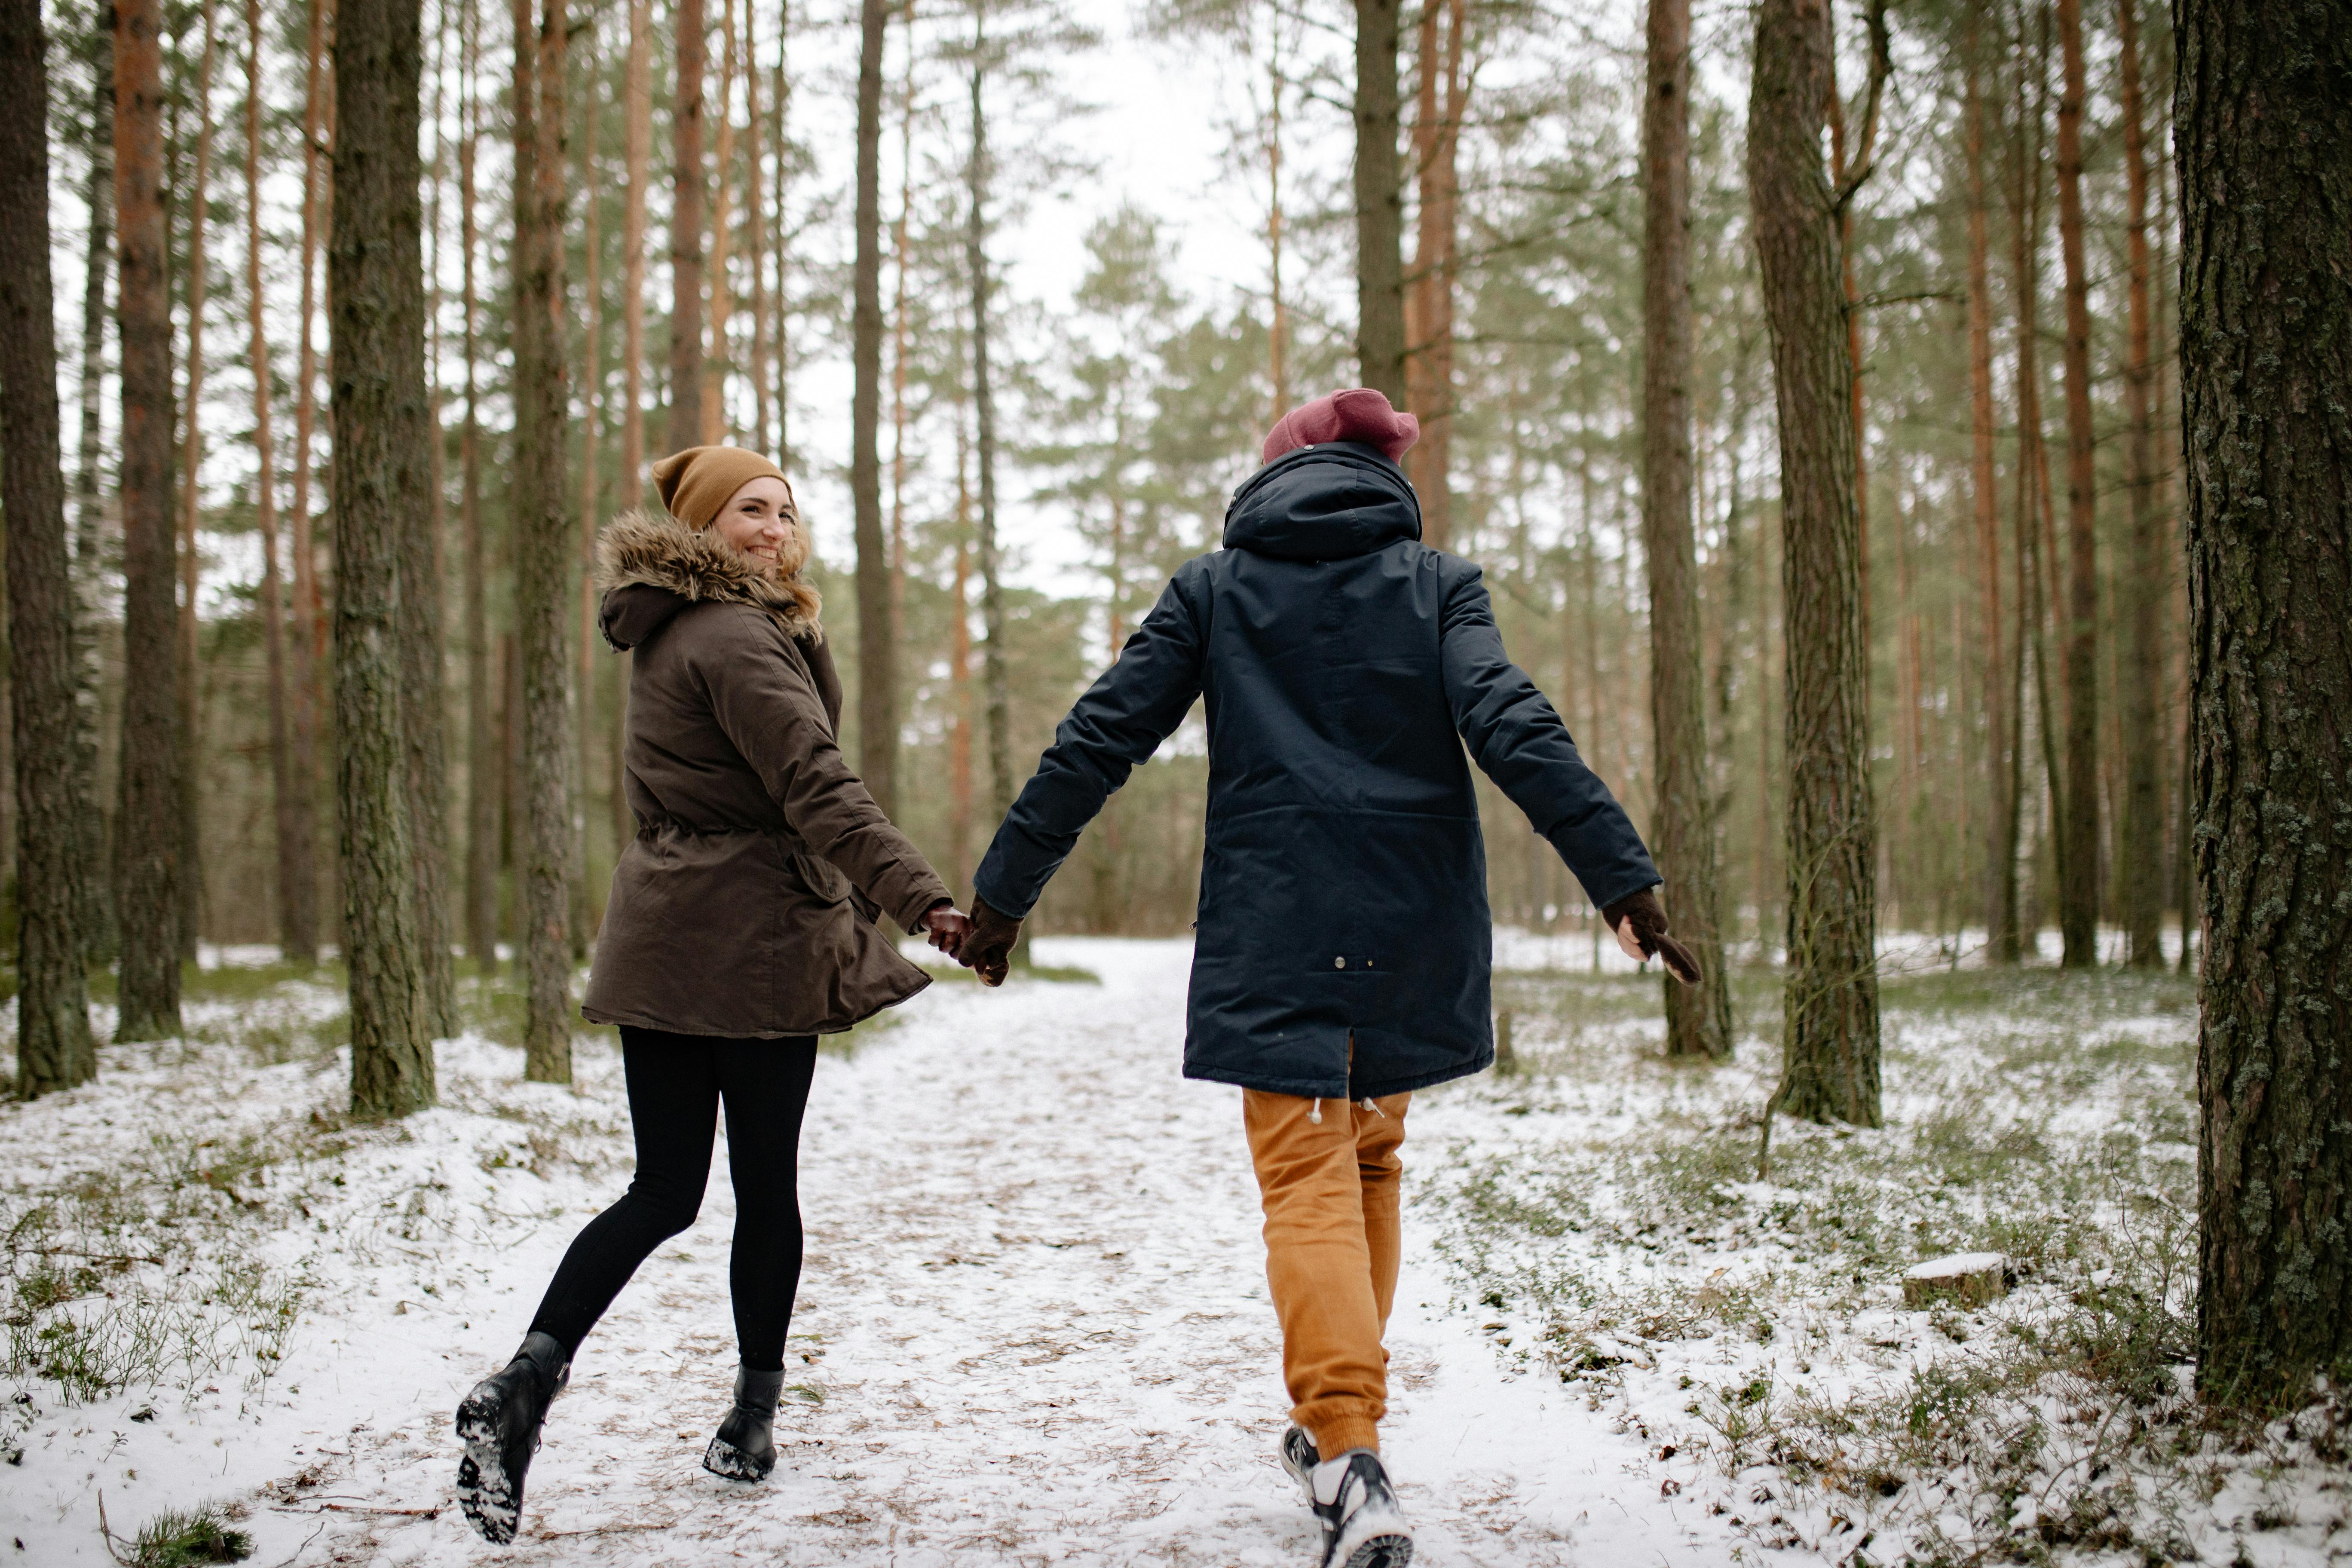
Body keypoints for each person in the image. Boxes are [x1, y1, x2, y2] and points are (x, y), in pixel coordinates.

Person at [955, 389, 1698, 1568]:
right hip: (1416, 921)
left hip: (1278, 919)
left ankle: (1349, 1454)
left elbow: (1098, 735)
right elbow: (1510, 718)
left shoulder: (1217, 587)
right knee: (1365, 1159)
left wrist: (1000, 900)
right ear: (1377, 478)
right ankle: (1336, 1427)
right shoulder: (1438, 582)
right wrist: (1623, 878)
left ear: (1272, 479)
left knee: (1308, 1175)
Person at [454, 446, 972, 1544]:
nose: (775, 527)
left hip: (663, 935)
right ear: (700, 526)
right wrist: (924, 901)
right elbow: (816, 787)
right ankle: (750, 1418)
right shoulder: (739, 637)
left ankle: (523, 1386)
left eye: (786, 510)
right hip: (754, 942)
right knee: (762, 1186)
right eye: (749, 510)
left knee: (663, 1189)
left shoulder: (671, 628)